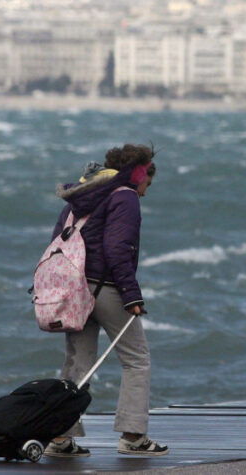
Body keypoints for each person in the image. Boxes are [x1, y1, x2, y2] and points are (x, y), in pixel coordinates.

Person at [44, 143, 169, 458]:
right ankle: (133, 435)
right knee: (136, 359)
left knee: (79, 363)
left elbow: (57, 240)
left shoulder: (83, 194)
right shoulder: (124, 196)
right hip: (107, 289)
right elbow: (117, 249)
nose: (144, 192)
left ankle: (60, 436)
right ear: (139, 173)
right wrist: (132, 296)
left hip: (76, 289)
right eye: (147, 184)